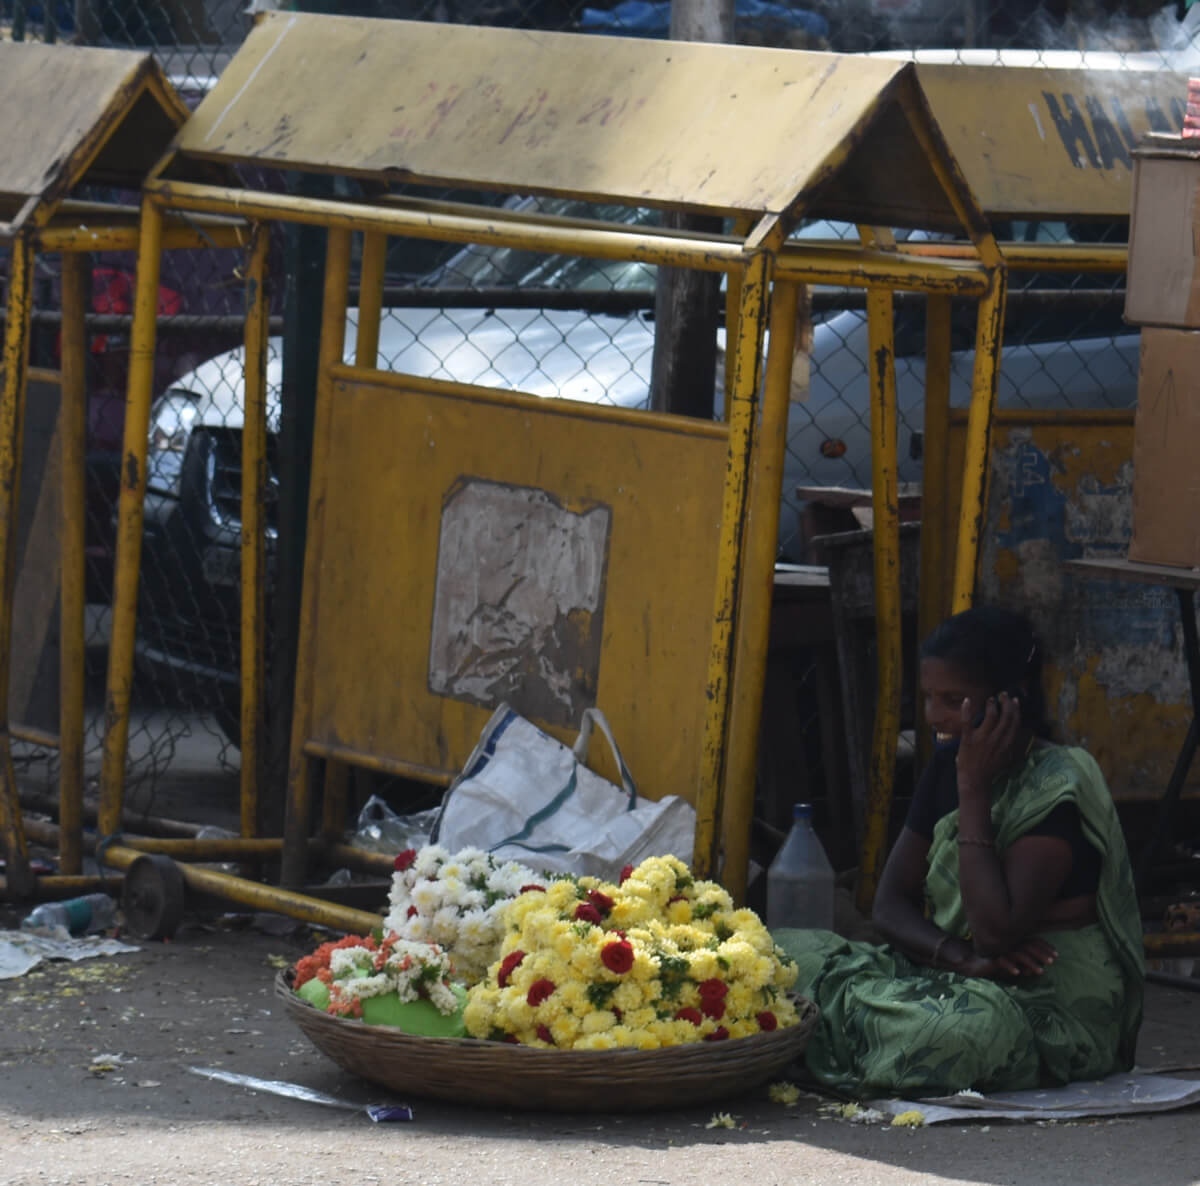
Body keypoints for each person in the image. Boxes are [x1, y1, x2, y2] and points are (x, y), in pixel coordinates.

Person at [774, 606, 1144, 1098]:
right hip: (957, 973)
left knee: (950, 1037)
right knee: (778, 954)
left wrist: (973, 788)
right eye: (928, 698)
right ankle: (842, 1039)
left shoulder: (1057, 786)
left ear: (1012, 698)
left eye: (953, 699)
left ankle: (820, 1041)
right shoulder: (949, 762)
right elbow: (889, 904)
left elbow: (994, 932)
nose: (932, 716)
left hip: (1044, 1002)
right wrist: (957, 958)